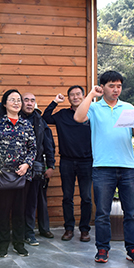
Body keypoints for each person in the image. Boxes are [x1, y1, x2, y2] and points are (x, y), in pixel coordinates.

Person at [74, 70, 134, 266]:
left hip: (128, 167)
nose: (116, 90)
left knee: (131, 213)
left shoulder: (128, 108)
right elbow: (78, 118)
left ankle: (133, 249)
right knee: (102, 213)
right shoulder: (94, 108)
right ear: (102, 87)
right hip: (102, 167)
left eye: (119, 86)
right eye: (112, 86)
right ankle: (102, 249)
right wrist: (91, 95)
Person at [0, 89, 36, 258]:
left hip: (22, 175)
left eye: (18, 100)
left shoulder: (26, 124)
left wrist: (27, 164)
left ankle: (19, 244)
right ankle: (2, 245)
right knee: (3, 211)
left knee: (19, 211)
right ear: (4, 103)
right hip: (1, 175)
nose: (16, 103)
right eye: (12, 99)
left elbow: (33, 148)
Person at [43, 86, 93, 242]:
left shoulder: (91, 114)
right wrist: (55, 102)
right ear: (69, 98)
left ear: (84, 96)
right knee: (67, 197)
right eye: (72, 95)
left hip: (87, 161)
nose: (75, 97)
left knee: (86, 198)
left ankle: (84, 230)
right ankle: (69, 229)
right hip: (67, 161)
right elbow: (45, 118)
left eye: (78, 94)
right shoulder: (62, 115)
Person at [20, 92, 56, 246]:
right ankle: (20, 232)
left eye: (32, 100)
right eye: (26, 100)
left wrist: (51, 165)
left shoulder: (40, 121)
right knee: (19, 201)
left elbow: (49, 145)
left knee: (33, 201)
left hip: (36, 167)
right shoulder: (15, 118)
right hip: (17, 168)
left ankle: (30, 232)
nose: (29, 103)